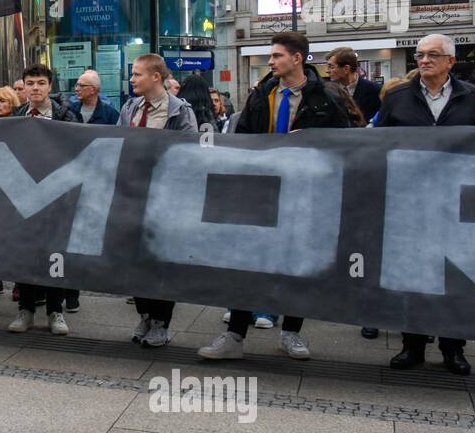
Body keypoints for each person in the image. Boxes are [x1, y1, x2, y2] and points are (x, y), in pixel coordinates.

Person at [200, 31, 352, 363]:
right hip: (261, 192)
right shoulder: (262, 94)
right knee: (246, 262)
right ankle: (235, 334)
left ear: (297, 58)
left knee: (296, 262)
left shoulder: (325, 97)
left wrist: (311, 140)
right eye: (271, 56)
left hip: (303, 194)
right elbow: (242, 141)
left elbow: (346, 145)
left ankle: (291, 333)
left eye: (277, 56)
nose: (270, 61)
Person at [379, 34, 475, 377]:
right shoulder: (397, 97)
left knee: (455, 276)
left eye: (432, 55)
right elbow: (377, 143)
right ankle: (412, 345)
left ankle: (453, 347)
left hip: (456, 202)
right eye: (419, 55)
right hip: (409, 200)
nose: (424, 61)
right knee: (413, 274)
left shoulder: (472, 98)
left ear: (450, 62)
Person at [118, 54, 198, 347]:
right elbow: (117, 143)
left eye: (137, 74)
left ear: (155, 76)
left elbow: (190, 152)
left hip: (166, 198)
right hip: (134, 195)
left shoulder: (179, 111)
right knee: (135, 259)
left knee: (161, 260)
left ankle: (162, 321)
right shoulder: (130, 107)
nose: (132, 79)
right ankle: (145, 314)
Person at [9, 64, 79, 336]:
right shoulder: (16, 116)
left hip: (57, 196)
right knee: (24, 254)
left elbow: (77, 151)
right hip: (23, 196)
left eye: (40, 83)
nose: (35, 88)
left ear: (50, 86)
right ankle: (25, 309)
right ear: (23, 87)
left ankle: (55, 311)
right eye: (30, 83)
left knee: (55, 254)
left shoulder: (65, 116)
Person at [325, 47, 381, 123]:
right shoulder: (328, 91)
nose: (327, 71)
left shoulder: (375, 91)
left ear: (346, 69)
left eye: (331, 67)